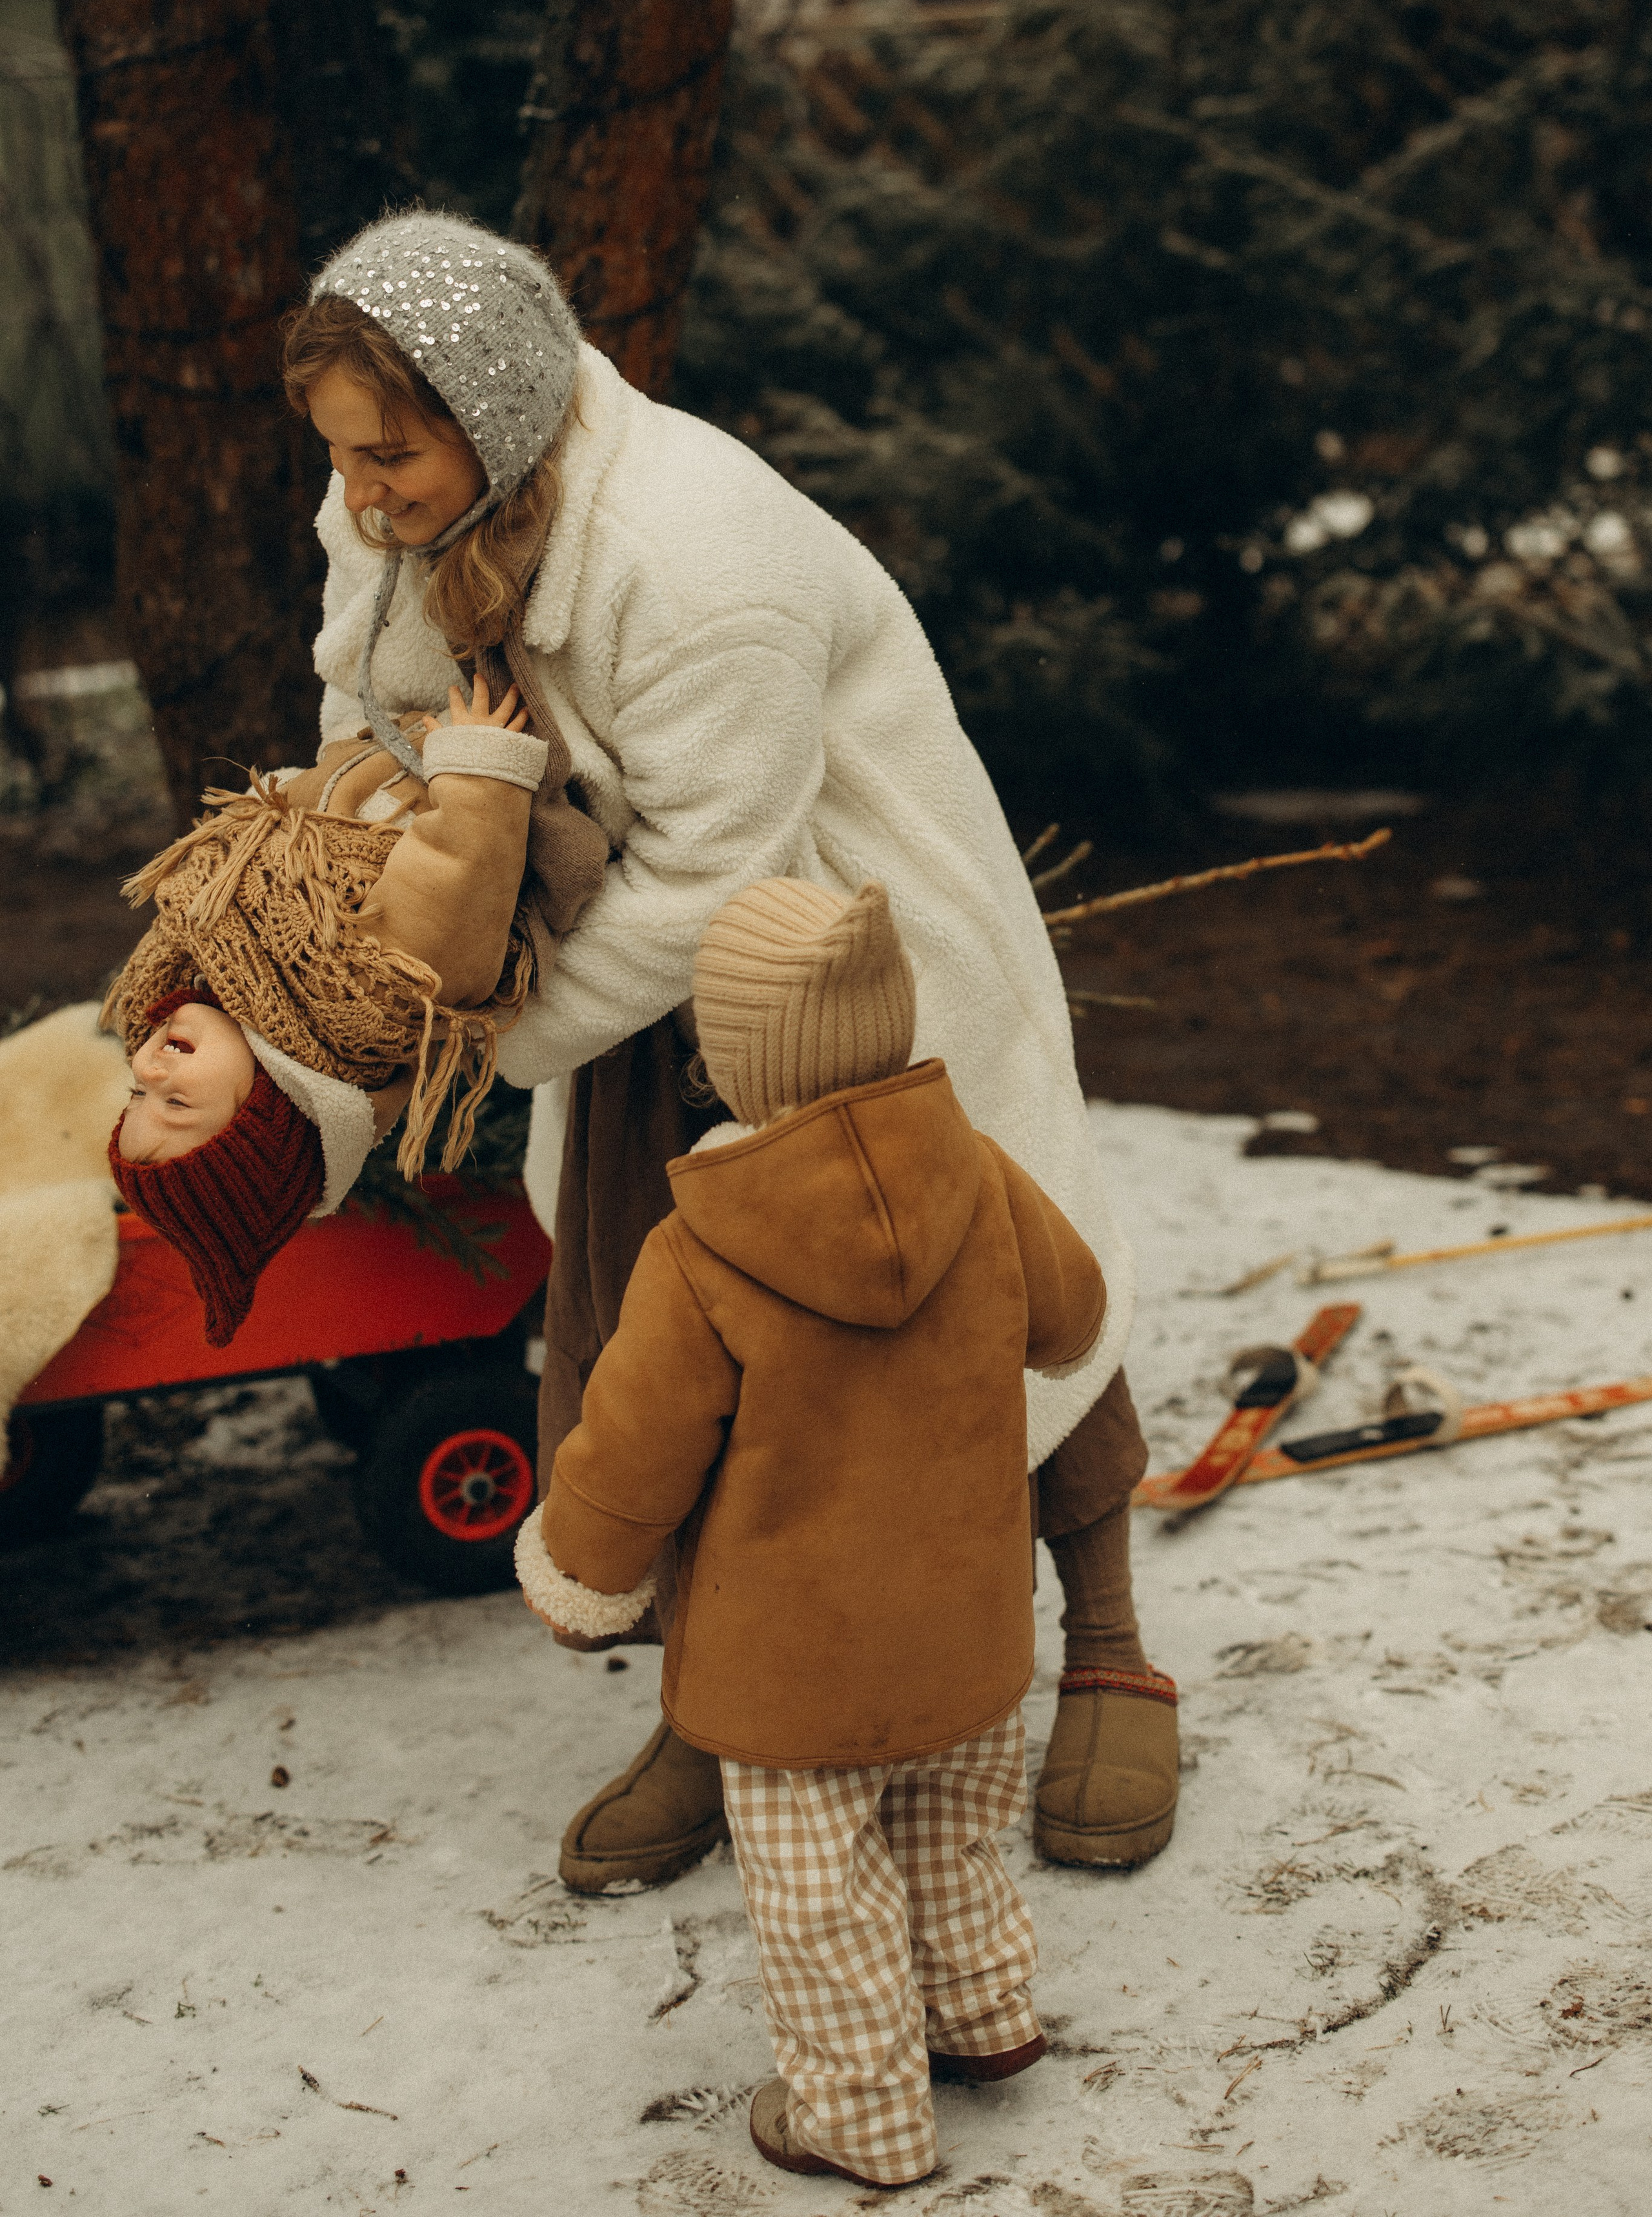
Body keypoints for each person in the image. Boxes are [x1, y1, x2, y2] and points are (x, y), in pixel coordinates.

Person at [283, 206, 1180, 1889]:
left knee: (981, 1258)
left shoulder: (694, 557)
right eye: (337, 455)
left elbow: (722, 872)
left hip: (841, 943)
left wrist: (486, 1046)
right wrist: (360, 908)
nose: (356, 493)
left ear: (487, 419)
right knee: (657, 1314)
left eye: (386, 455)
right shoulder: (395, 499)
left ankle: (1114, 1642)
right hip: (629, 938)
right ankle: (726, 1701)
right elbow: (366, 706)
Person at [517, 878, 1101, 2191]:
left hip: (793, 1671)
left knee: (821, 1897)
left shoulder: (702, 1245)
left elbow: (630, 1454)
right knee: (949, 1834)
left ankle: (860, 2115)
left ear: (726, 1060)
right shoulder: (980, 1171)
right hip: (965, 1628)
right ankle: (984, 2016)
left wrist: (578, 1572)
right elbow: (1068, 1319)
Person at [104, 675, 607, 1344]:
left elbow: (291, 809)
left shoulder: (255, 953)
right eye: (175, 1107)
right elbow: (460, 873)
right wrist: (483, 761)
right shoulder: (373, 997)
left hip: (419, 728)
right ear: (270, 1109)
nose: (152, 1072)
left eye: (137, 1092)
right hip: (498, 744)